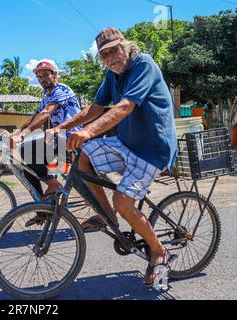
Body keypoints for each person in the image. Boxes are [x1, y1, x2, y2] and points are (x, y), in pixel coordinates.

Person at [47, 27, 178, 286]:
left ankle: (159, 251)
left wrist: (88, 132)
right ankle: (109, 216)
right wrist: (59, 129)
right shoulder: (111, 75)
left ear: (126, 47)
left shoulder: (143, 64)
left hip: (153, 149)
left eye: (114, 50)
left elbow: (125, 106)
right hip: (126, 144)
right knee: (83, 156)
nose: (110, 58)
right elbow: (94, 109)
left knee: (123, 200)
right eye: (104, 55)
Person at [6, 60, 83, 217]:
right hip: (57, 138)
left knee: (27, 150)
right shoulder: (46, 96)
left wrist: (23, 135)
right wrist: (15, 133)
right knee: (27, 166)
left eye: (45, 74)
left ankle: (53, 185)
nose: (42, 79)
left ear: (55, 75)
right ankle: (42, 208)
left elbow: (45, 113)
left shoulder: (61, 89)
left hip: (69, 136)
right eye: (39, 76)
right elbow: (34, 117)